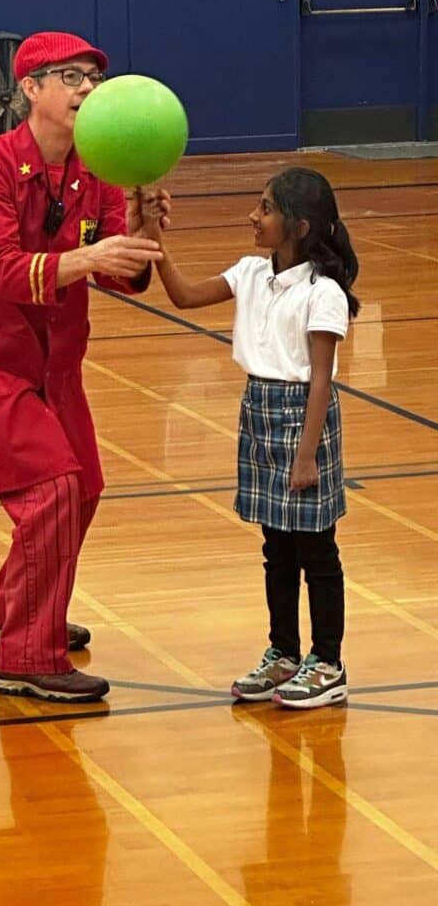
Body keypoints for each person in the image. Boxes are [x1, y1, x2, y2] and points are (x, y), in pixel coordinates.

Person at [0, 30, 169, 703]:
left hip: (58, 365)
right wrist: (89, 260)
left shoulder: (94, 174)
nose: (87, 89)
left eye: (93, 77)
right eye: (69, 77)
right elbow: (1, 269)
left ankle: (10, 604)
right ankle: (26, 656)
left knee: (84, 487)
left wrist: (138, 227)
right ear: (29, 91)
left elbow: (121, 275)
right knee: (53, 491)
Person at [149, 167, 359, 709]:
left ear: (300, 225)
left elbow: (320, 379)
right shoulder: (249, 272)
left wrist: (308, 454)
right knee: (276, 547)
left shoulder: (323, 293)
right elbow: (185, 296)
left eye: (265, 208)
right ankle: (284, 653)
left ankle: (328, 663)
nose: (253, 216)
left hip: (303, 418)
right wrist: (155, 238)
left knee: (318, 550)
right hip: (258, 410)